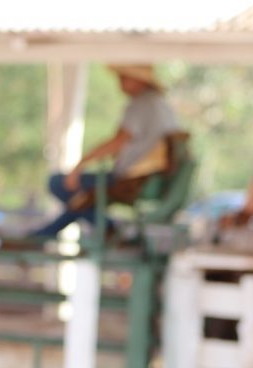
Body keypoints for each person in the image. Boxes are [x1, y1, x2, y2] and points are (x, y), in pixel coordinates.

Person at [31, 64, 181, 239]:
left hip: (131, 181)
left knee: (58, 183)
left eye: (125, 78)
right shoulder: (163, 105)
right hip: (151, 181)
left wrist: (81, 164)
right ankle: (46, 234)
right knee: (81, 201)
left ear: (140, 80)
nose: (120, 83)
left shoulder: (141, 104)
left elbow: (118, 141)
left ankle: (109, 228)